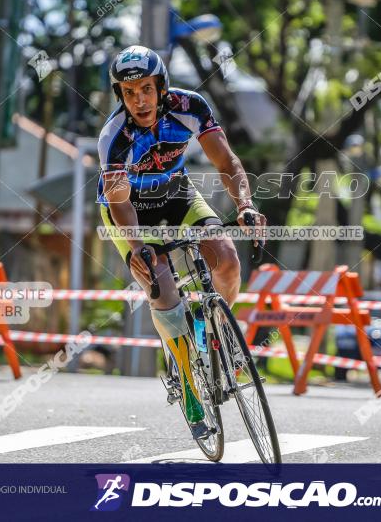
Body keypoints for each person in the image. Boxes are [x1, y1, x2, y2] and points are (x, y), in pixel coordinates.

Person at [97, 45, 265, 440]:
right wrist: (138, 247)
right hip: (131, 211)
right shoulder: (113, 136)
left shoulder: (190, 106)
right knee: (163, 287)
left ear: (161, 86)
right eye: (128, 91)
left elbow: (227, 163)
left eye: (146, 89)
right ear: (120, 95)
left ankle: (219, 330)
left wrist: (244, 204)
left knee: (226, 259)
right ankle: (189, 389)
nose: (138, 99)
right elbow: (119, 203)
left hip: (178, 195)